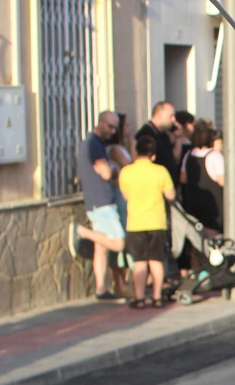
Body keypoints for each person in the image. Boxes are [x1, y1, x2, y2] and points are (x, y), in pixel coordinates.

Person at [69, 110, 128, 302]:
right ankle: (81, 232)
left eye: (114, 127)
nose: (112, 131)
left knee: (102, 247)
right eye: (109, 126)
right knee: (119, 242)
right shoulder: (94, 144)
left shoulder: (94, 143)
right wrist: (113, 171)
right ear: (100, 122)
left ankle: (101, 288)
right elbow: (104, 172)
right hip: (101, 201)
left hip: (97, 200)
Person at [117, 133, 175, 309]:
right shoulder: (161, 171)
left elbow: (125, 195)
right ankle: (157, 297)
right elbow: (170, 195)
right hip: (157, 221)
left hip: (136, 222)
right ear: (153, 154)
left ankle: (140, 297)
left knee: (140, 262)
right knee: (157, 261)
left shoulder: (126, 171)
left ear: (136, 152)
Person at [181, 119, 224, 235]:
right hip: (211, 206)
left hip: (192, 204)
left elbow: (183, 178)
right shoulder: (215, 155)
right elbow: (222, 181)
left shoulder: (188, 154)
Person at [136, 102, 180, 186]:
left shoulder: (163, 134)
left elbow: (173, 158)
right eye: (170, 116)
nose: (173, 119)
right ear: (159, 115)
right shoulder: (146, 134)